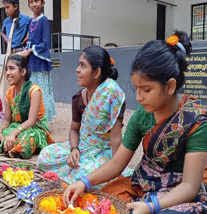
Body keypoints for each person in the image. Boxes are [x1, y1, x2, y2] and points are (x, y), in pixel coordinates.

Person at [63, 31, 207, 214]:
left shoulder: (196, 121)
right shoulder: (142, 115)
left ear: (170, 86)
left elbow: (189, 186)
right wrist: (84, 181)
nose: (138, 97)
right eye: (136, 88)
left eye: (146, 90)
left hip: (180, 190)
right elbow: (117, 163)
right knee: (99, 202)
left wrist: (151, 207)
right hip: (145, 183)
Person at [38, 46, 126, 188]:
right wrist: (74, 149)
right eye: (79, 65)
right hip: (82, 146)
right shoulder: (78, 98)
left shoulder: (112, 95)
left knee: (84, 176)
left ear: (96, 72)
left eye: (83, 66)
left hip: (103, 151)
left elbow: (116, 138)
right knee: (45, 156)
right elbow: (74, 129)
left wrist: (117, 169)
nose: (77, 70)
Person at [0, 55, 54, 159]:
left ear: (23, 72)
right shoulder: (9, 92)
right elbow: (7, 120)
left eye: (12, 69)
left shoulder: (34, 91)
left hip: (34, 129)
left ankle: (6, 145)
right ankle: (7, 144)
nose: (7, 73)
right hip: (16, 126)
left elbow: (31, 121)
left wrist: (13, 134)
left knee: (28, 137)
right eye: (6, 69)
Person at [21, 0, 56, 121]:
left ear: (43, 3)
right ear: (29, 5)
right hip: (31, 63)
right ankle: (34, 118)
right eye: (31, 2)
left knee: (42, 91)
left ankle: (44, 119)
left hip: (40, 63)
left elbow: (45, 43)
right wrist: (25, 50)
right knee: (33, 91)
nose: (34, 4)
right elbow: (30, 41)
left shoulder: (44, 20)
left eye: (37, 1)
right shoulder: (31, 21)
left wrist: (30, 50)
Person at [0, 0, 31, 98]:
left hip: (20, 53)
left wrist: (27, 37)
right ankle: (11, 104)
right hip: (9, 53)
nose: (5, 11)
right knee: (9, 80)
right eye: (5, 8)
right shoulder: (6, 21)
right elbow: (2, 32)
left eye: (8, 7)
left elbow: (32, 32)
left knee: (21, 80)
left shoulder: (26, 19)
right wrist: (7, 39)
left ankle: (23, 102)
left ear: (15, 7)